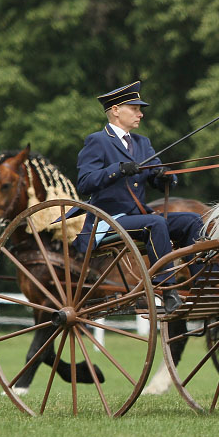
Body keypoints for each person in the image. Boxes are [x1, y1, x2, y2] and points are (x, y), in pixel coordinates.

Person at [74, 81, 203, 313]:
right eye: (135, 108)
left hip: (137, 218)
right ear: (115, 110)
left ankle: (202, 284)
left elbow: (156, 176)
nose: (140, 114)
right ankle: (167, 290)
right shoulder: (97, 141)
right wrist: (117, 169)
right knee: (156, 223)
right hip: (107, 221)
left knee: (191, 221)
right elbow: (84, 183)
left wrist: (164, 177)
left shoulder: (143, 143)